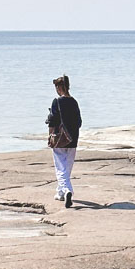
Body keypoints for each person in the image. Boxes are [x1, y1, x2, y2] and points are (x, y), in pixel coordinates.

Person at [47, 74, 81, 208]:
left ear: (60, 87)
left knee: (60, 167)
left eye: (57, 87)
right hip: (73, 139)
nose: (56, 89)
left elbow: (52, 120)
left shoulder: (57, 101)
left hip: (60, 138)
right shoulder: (74, 102)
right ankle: (60, 192)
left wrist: (50, 136)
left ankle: (68, 191)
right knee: (67, 167)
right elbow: (79, 122)